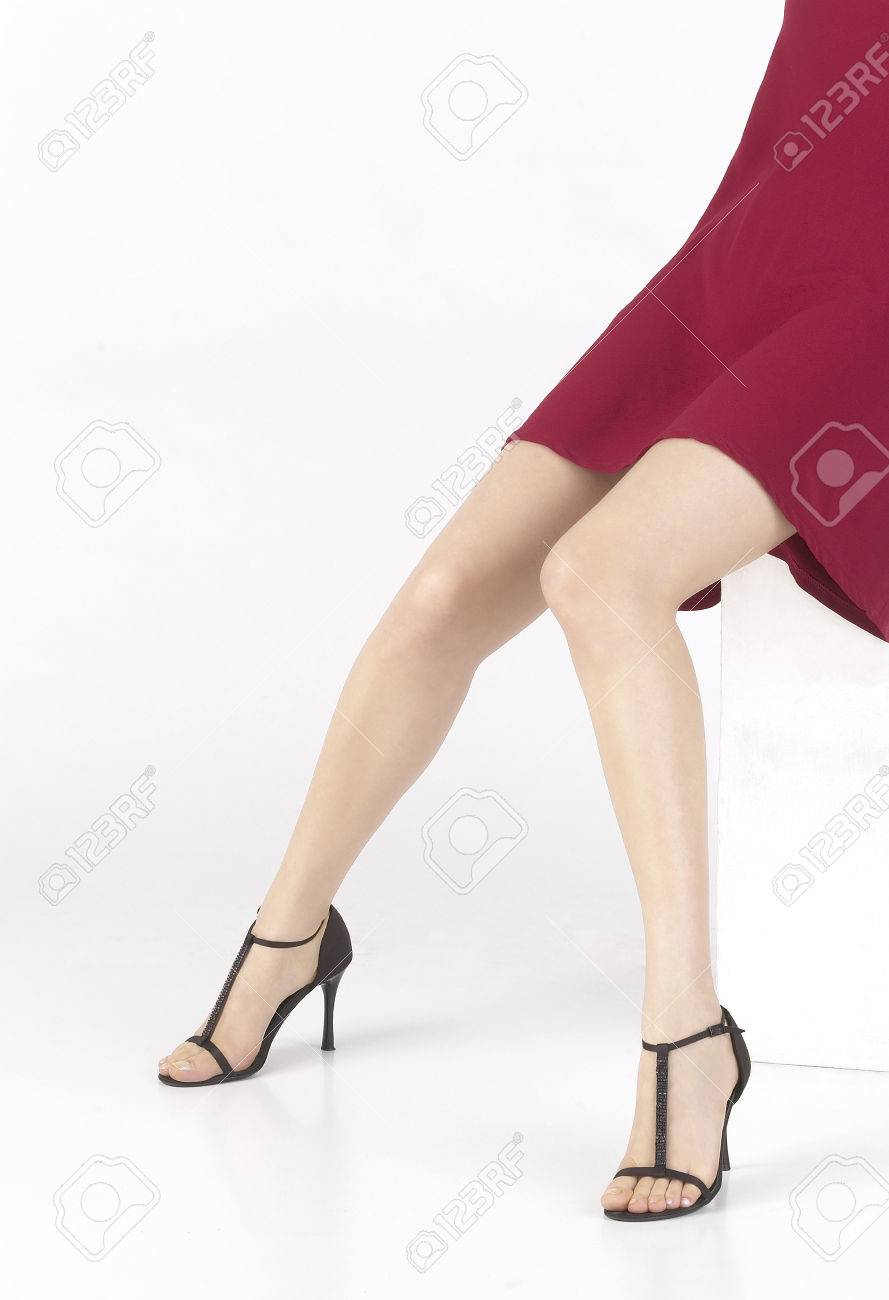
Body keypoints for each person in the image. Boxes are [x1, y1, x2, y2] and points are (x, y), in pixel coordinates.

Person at [158, 0, 889, 1221]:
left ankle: (687, 1034)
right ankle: (289, 940)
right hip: (747, 249)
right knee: (444, 592)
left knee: (599, 574)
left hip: (870, 315)